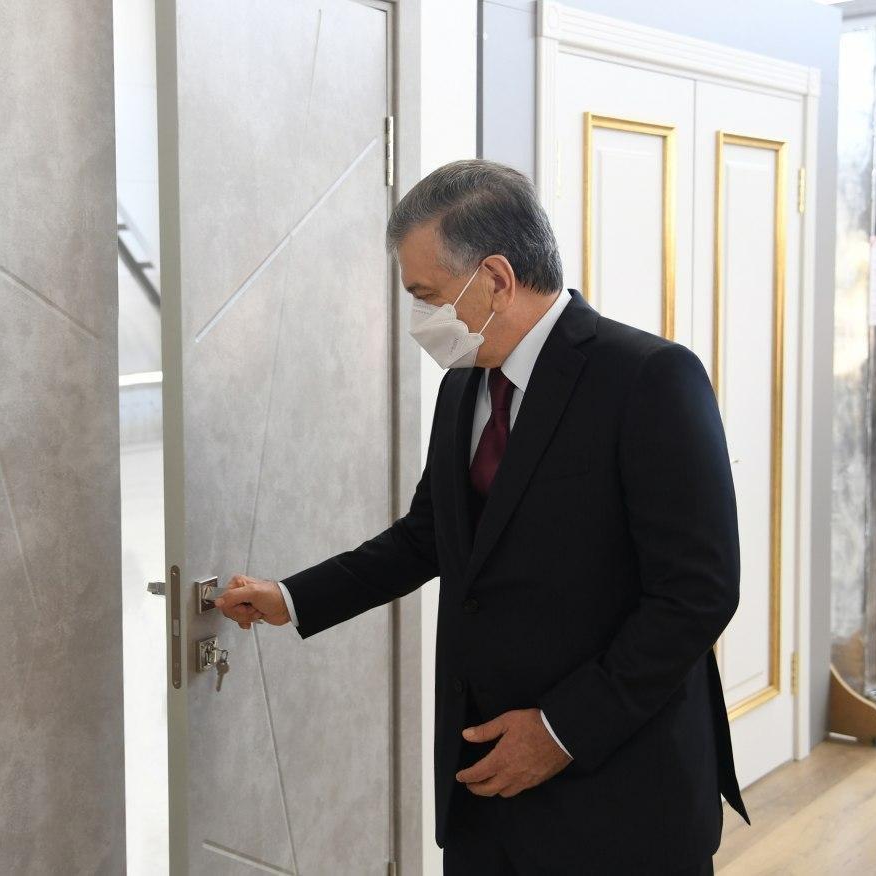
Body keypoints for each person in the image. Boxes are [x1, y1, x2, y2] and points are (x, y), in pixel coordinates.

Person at [215, 158, 750, 874]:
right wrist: (292, 598)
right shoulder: (464, 386)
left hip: (617, 787)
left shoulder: (648, 378)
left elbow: (696, 595)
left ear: (496, 278)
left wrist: (559, 731)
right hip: (483, 790)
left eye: (428, 297)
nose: (421, 321)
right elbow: (430, 536)